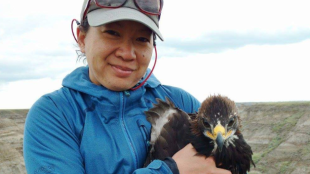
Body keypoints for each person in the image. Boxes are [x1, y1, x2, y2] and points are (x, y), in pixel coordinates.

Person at [23, 0, 232, 174]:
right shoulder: (55, 114)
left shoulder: (182, 102)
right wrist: (170, 170)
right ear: (82, 38)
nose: (127, 53)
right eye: (112, 33)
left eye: (142, 39)